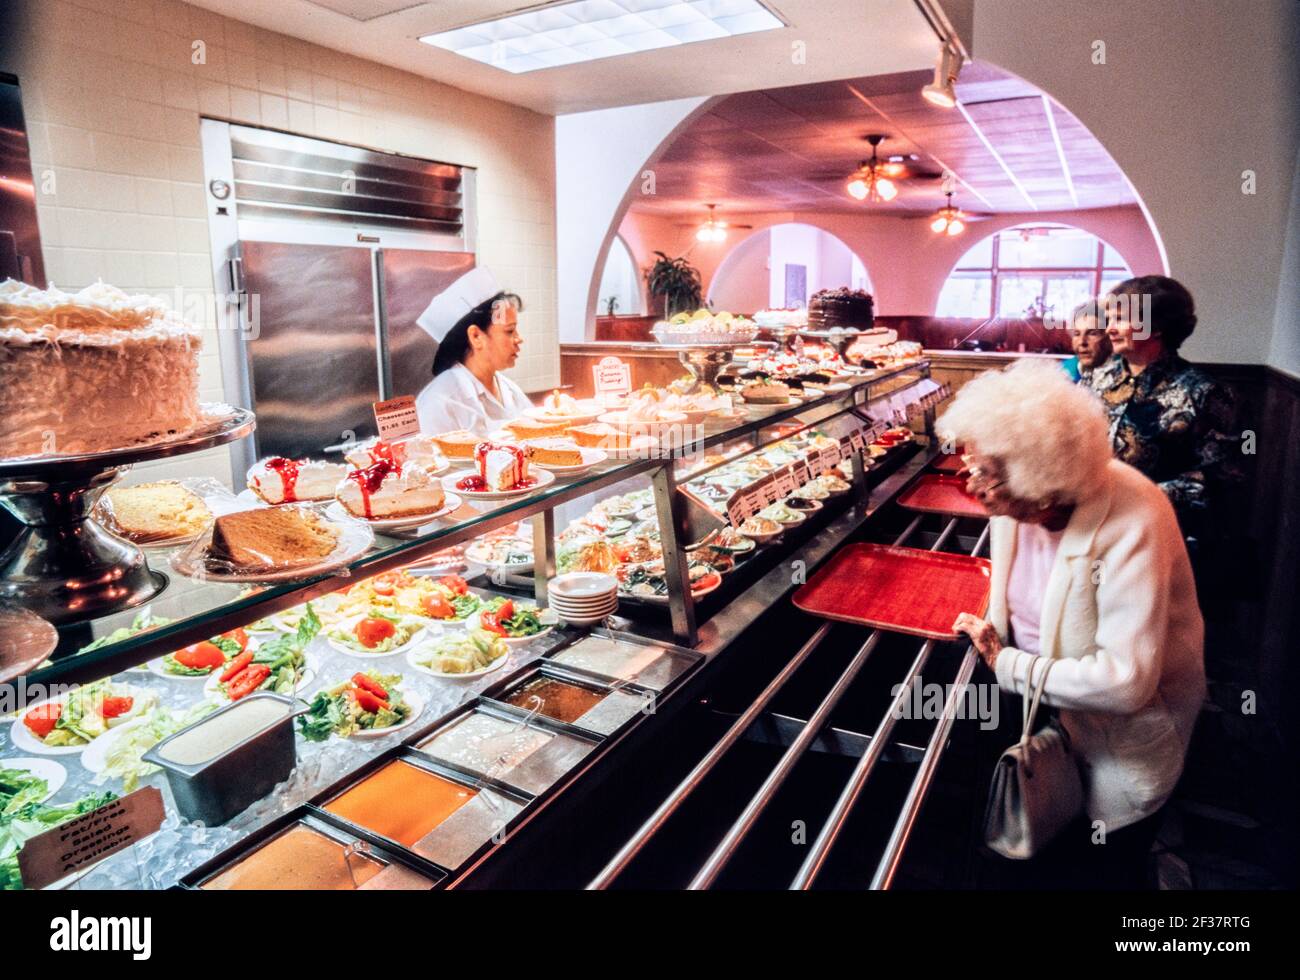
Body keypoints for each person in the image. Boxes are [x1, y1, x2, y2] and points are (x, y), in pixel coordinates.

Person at [942, 359, 1205, 888]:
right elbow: (1013, 589)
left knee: (1104, 865)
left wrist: (1006, 662)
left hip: (1125, 739)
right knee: (1054, 848)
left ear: (1040, 484)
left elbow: (1126, 682)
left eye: (985, 474)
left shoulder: (1136, 518)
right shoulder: (1020, 508)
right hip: (1050, 712)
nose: (969, 484)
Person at [1088, 276, 1237, 533]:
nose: (1109, 328)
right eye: (1109, 318)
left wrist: (1142, 498)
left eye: (1121, 319)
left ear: (1157, 326)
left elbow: (1221, 476)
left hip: (1158, 530)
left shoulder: (1204, 391)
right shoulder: (1096, 378)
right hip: (1091, 521)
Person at [413, 266, 532, 435]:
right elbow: (428, 459)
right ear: (476, 336)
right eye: (509, 331)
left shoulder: (509, 389)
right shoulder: (440, 401)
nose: (519, 339)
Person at [1060, 298, 1111, 385]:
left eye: (1092, 333)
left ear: (1109, 338)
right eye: (1077, 334)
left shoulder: (1122, 376)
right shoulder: (1064, 371)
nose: (1082, 342)